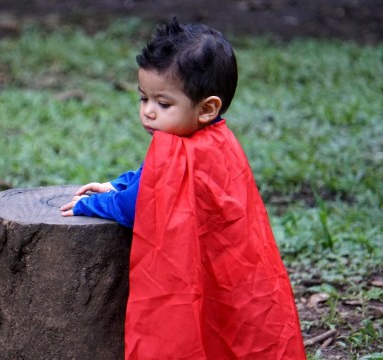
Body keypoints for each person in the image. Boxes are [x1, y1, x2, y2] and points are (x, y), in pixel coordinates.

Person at [61, 18, 306, 359]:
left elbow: (139, 205)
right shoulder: (215, 139)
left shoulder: (184, 149)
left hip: (215, 271)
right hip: (235, 274)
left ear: (207, 109)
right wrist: (117, 184)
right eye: (143, 98)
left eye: (163, 104)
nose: (148, 112)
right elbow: (153, 178)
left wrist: (92, 205)